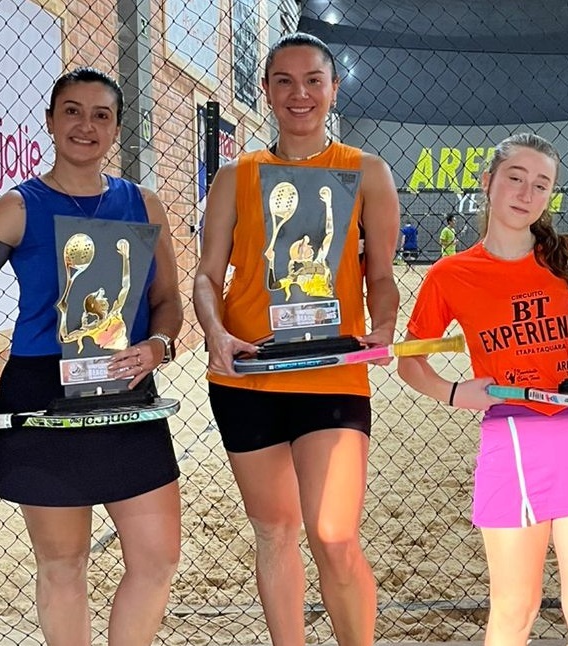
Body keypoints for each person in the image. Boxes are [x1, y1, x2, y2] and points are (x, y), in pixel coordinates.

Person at [0, 67, 183, 646]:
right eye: (72, 111)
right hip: (43, 392)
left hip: (123, 389)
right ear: (49, 121)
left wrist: (158, 346)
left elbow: (167, 301)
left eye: (100, 115)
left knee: (158, 557)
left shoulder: (144, 204)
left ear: (116, 128)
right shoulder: (19, 207)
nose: (85, 125)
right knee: (64, 565)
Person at [398, 132, 568, 646]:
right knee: (515, 609)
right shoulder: (452, 273)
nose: (526, 193)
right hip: (511, 442)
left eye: (541, 185)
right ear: (487, 181)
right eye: (515, 178)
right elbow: (410, 362)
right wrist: (455, 393)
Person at [193, 32, 400, 646]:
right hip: (248, 374)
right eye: (283, 80)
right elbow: (206, 276)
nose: (299, 93)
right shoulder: (237, 176)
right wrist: (215, 333)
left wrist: (382, 327)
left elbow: (381, 276)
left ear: (334, 89)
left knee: (334, 535)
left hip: (331, 372)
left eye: (313, 79)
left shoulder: (366, 172)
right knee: (276, 531)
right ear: (265, 91)